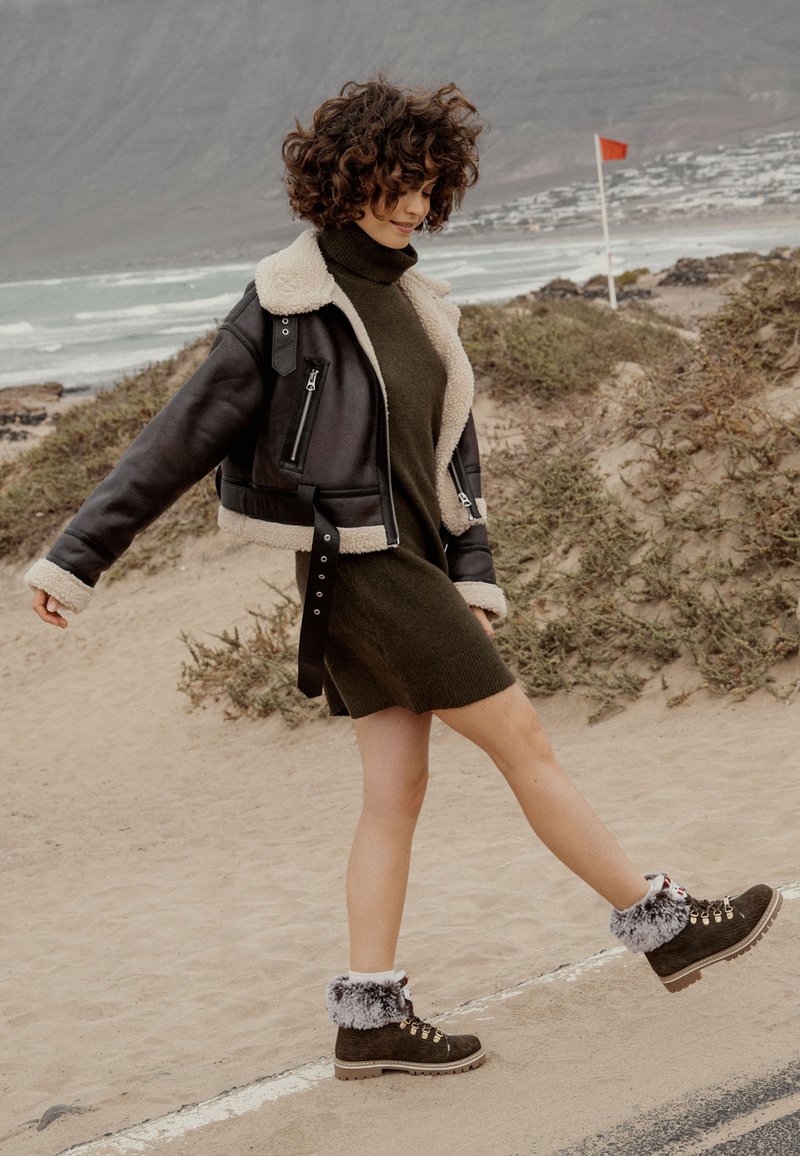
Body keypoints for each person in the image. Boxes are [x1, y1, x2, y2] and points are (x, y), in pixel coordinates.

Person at [26, 77, 782, 1080]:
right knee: (522, 739)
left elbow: (454, 467)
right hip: (359, 565)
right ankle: (663, 925)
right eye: (396, 182)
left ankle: (370, 1014)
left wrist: (472, 573)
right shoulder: (284, 305)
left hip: (412, 559)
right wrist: (76, 558)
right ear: (343, 180)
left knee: (396, 791)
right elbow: (177, 438)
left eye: (429, 186)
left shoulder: (419, 303)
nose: (414, 204)